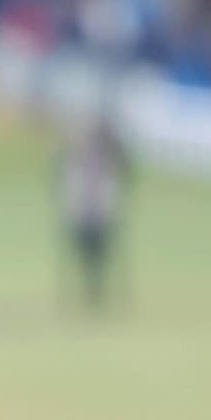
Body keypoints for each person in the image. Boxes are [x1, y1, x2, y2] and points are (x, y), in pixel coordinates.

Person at [57, 115, 130, 312]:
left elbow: (124, 165)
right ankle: (89, 292)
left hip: (99, 215)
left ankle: (96, 293)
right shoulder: (75, 158)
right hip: (82, 214)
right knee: (85, 257)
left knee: (99, 258)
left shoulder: (107, 157)